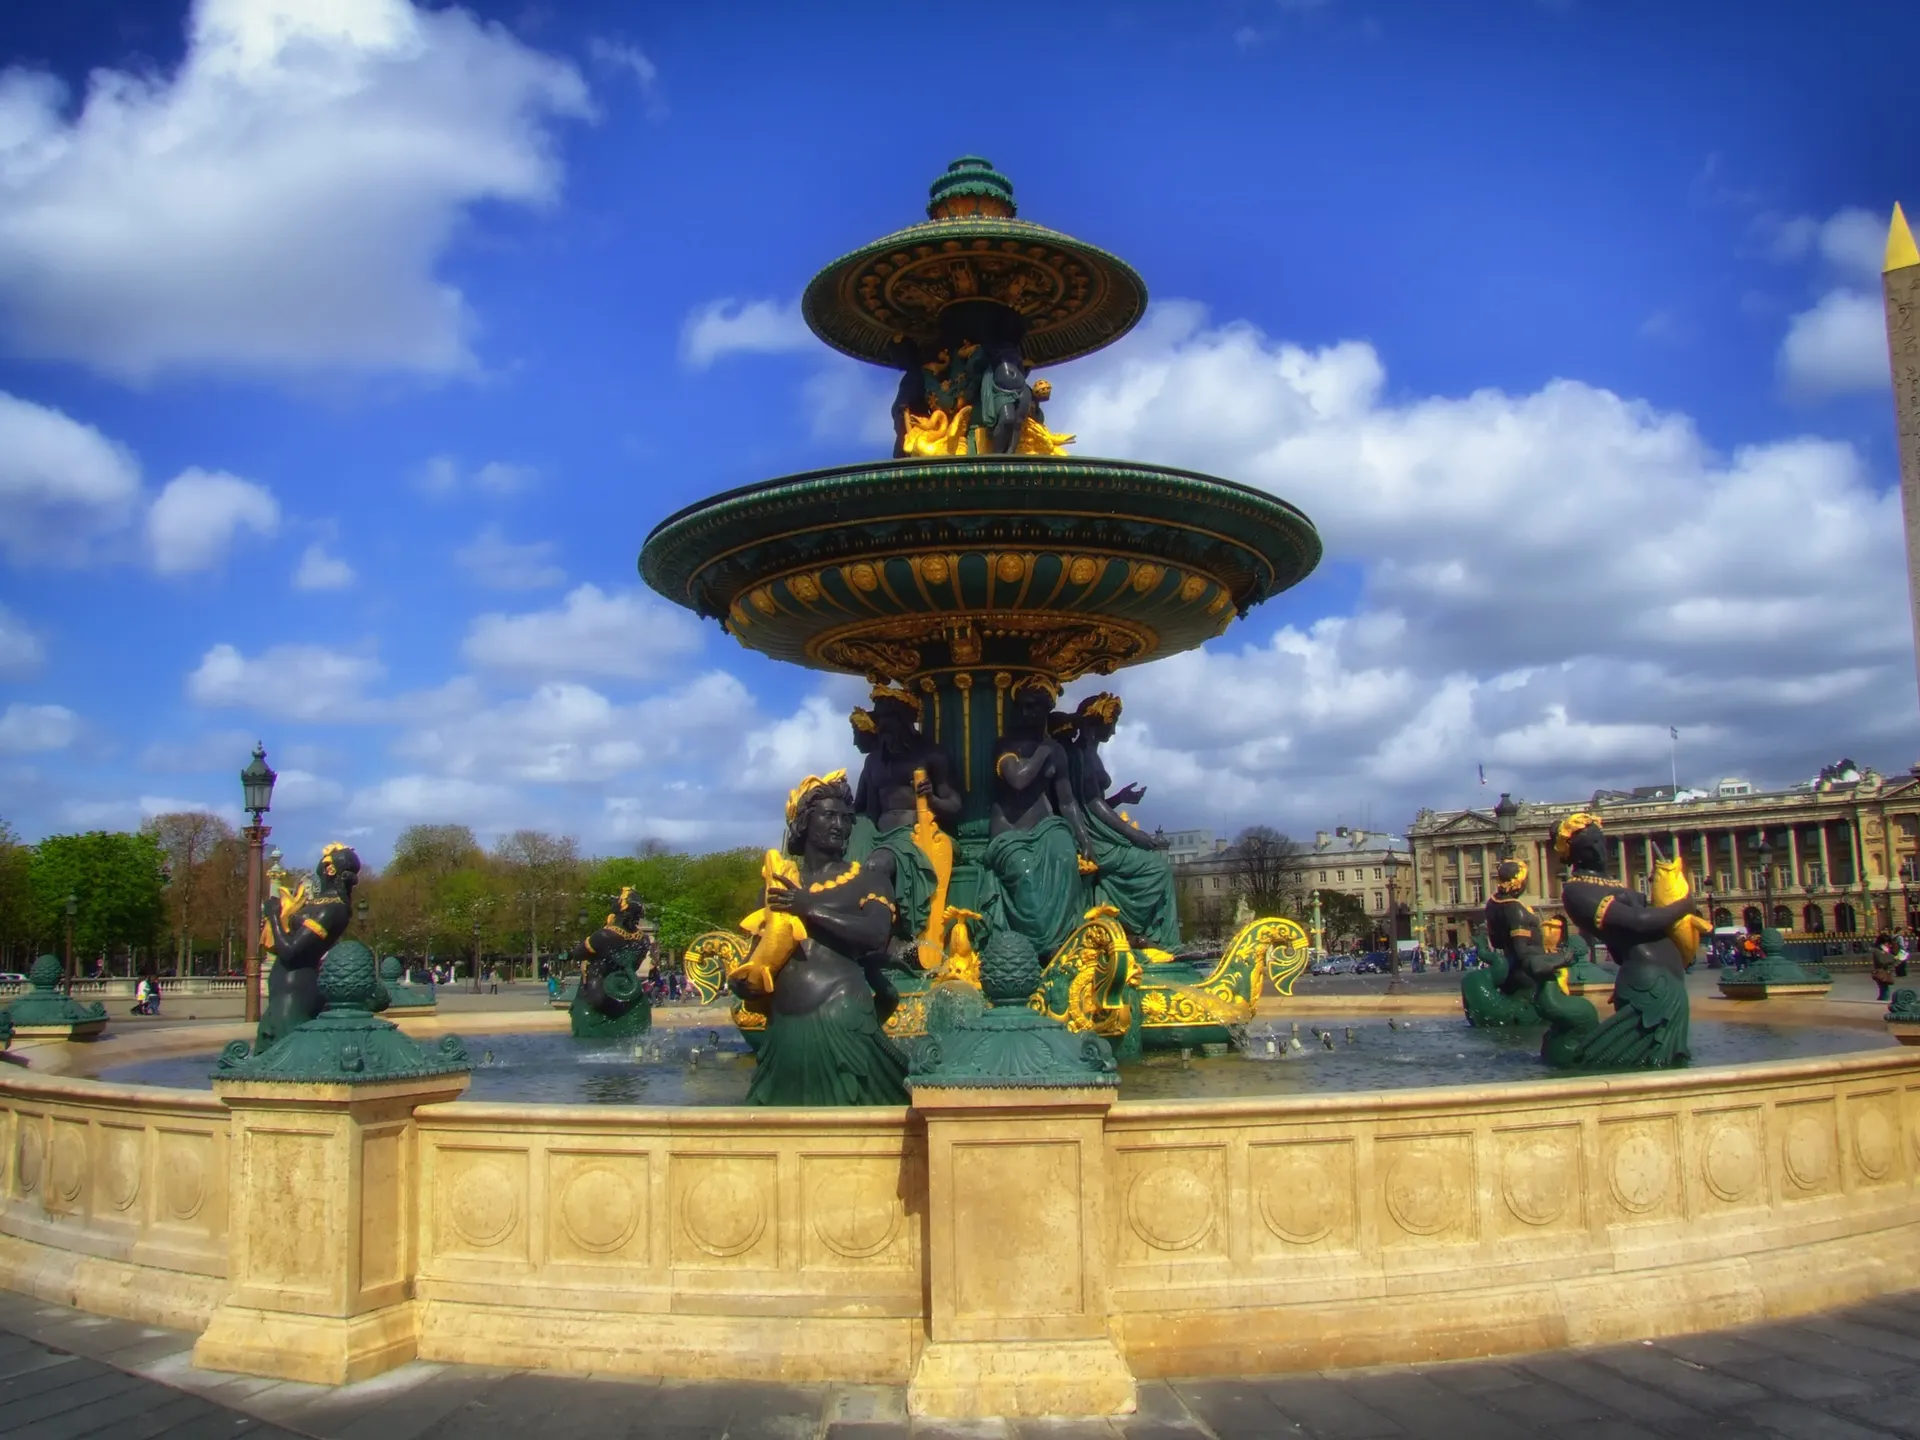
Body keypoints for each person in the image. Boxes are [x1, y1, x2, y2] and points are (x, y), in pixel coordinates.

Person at [734, 771, 909, 1106]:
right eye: (829, 816)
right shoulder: (776, 887)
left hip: (842, 1016)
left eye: (846, 818)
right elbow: (758, 955)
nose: (840, 825)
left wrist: (810, 908)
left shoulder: (869, 880)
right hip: (784, 1027)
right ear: (803, 821)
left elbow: (875, 934)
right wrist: (745, 982)